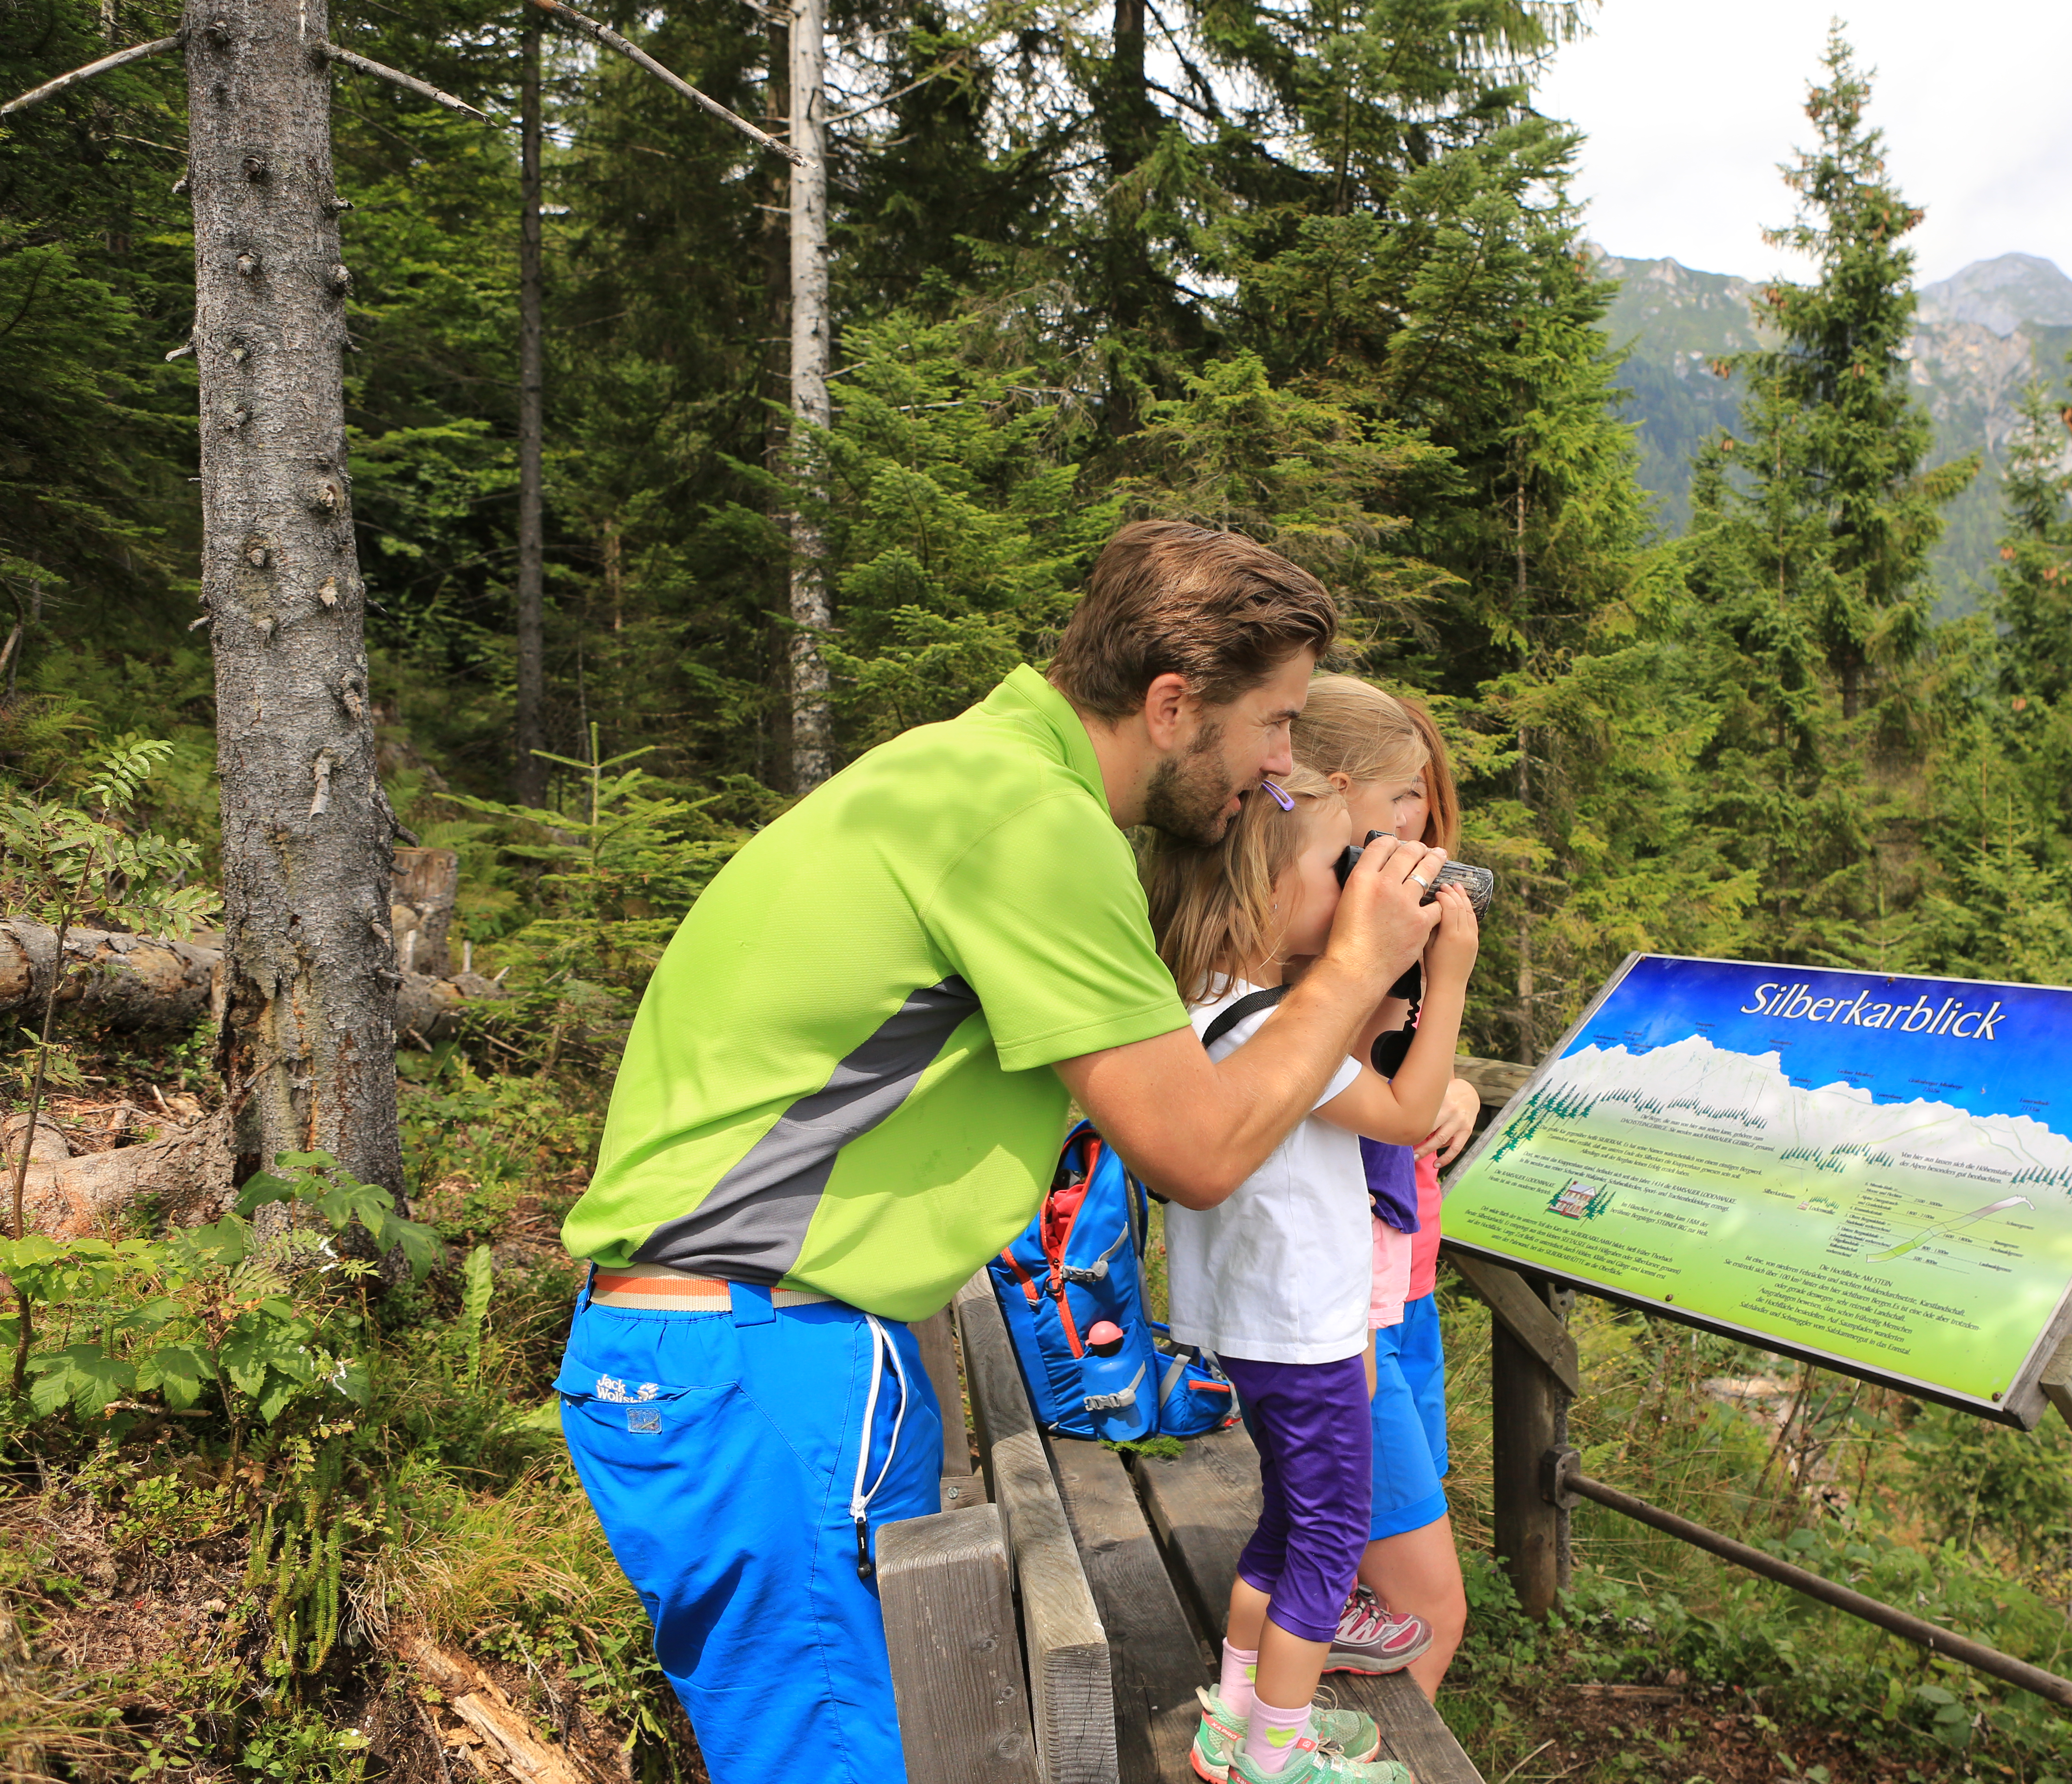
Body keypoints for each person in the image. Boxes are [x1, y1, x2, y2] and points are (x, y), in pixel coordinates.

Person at [552, 520, 1455, 1784]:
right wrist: (1361, 963)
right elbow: (1197, 1148)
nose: (1283, 764)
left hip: (747, 1353)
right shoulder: (1030, 824)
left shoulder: (960, 774)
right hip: (762, 1362)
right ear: (1172, 702)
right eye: (1275, 724)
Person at [1143, 766, 1478, 1784]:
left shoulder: (1211, 1004)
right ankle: (1277, 1757)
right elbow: (1410, 1114)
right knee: (1329, 1547)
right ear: (1271, 896)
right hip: (1307, 1327)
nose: (1360, 886)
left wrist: (1367, 982)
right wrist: (1448, 973)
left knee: (1288, 1522)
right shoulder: (1278, 1030)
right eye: (1342, 868)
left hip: (1255, 1323)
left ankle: (1235, 1718)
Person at [1290, 678, 1474, 1699]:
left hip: (1400, 1289)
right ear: (1342, 788)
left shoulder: (1361, 938)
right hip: (1346, 1309)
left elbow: (1400, 1086)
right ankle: (1298, 1750)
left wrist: (1461, 1078)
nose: (1420, 827)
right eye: (1406, 798)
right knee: (1426, 1609)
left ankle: (1282, 1740)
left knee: (1361, 1593)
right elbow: (1364, 1101)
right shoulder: (1306, 953)